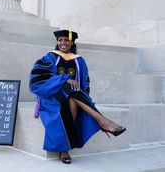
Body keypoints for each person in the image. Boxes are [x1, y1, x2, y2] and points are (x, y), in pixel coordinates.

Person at [29, 30, 126, 164]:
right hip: (52, 95)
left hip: (73, 96)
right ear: (57, 42)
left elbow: (84, 84)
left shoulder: (79, 60)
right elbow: (38, 80)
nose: (63, 43)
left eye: (66, 40)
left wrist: (84, 97)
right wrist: (64, 79)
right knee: (71, 94)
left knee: (73, 98)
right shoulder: (50, 57)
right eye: (60, 40)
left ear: (72, 42)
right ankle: (102, 121)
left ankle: (64, 149)